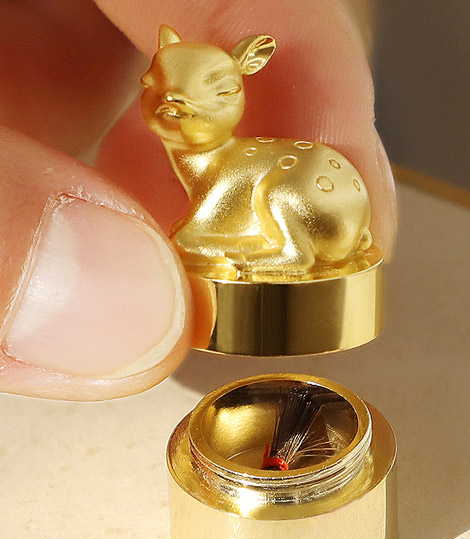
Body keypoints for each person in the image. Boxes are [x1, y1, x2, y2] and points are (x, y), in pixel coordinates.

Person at [0, 0, 396, 400]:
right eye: (154, 88)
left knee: (229, 218)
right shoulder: (212, 165)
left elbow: (199, 230)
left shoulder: (233, 166)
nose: (173, 106)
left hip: (325, 208)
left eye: (222, 91)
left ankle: (293, 254)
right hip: (337, 223)